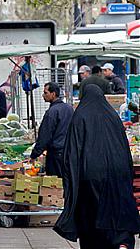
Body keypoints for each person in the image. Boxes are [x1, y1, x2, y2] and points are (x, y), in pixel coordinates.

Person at [54, 85, 140, 248]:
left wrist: (70, 178)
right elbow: (124, 148)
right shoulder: (112, 116)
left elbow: (72, 151)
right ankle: (121, 242)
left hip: (90, 175)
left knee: (92, 213)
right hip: (117, 173)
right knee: (117, 207)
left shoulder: (80, 115)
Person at [30, 82, 73, 177]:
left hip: (55, 154)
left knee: (54, 184)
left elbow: (45, 136)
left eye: (45, 93)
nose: (43, 95)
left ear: (53, 94)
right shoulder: (69, 108)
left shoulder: (52, 112)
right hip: (68, 152)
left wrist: (34, 154)